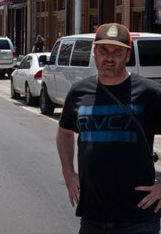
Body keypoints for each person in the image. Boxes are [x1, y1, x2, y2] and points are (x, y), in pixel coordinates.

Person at [56, 23, 161, 234]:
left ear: (127, 56)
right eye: (103, 50)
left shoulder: (150, 93)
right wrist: (68, 173)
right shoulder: (79, 92)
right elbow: (65, 132)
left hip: (139, 216)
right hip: (92, 215)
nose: (109, 57)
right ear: (94, 52)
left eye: (117, 52)